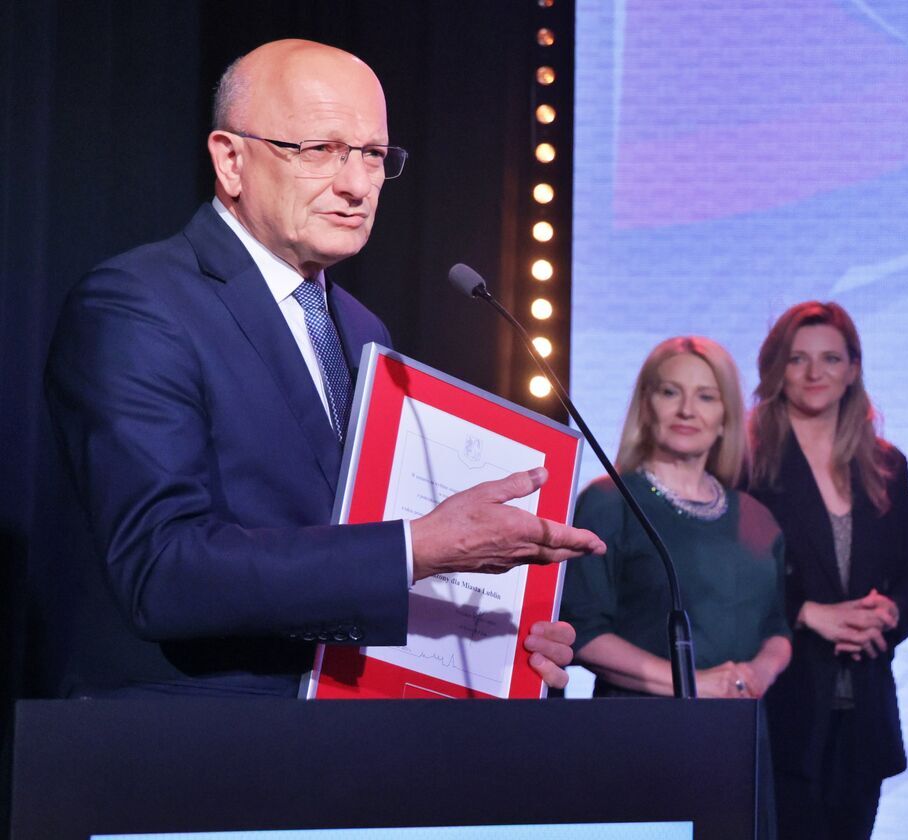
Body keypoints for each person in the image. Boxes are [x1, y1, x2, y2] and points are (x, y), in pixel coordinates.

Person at [41, 39, 604, 698]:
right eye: (320, 150)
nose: (357, 185)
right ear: (230, 160)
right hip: (189, 734)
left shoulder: (363, 330)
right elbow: (162, 571)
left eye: (373, 154)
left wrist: (494, 635)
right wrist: (416, 550)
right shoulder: (138, 304)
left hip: (338, 733)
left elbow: (352, 558)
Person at [745, 301, 908, 840]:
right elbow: (730, 584)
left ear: (853, 369)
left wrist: (888, 615)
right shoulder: (746, 461)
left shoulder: (887, 465)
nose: (814, 373)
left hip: (863, 714)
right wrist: (804, 612)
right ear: (776, 369)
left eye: (830, 358)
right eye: (798, 358)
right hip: (784, 706)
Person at [560, 336, 791, 699]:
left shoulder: (757, 517)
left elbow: (777, 628)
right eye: (670, 393)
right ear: (646, 405)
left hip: (742, 723)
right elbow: (581, 630)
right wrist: (692, 683)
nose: (687, 410)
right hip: (643, 723)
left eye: (706, 397)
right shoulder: (609, 502)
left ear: (726, 417)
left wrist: (757, 674)